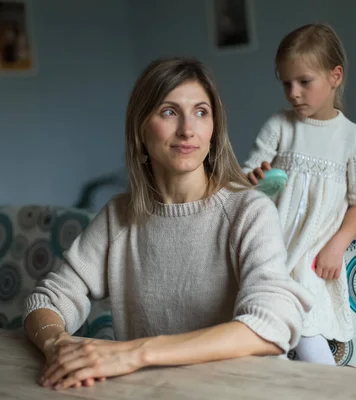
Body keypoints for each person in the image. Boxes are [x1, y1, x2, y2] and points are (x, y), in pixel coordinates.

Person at [23, 57, 313, 390]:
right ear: (140, 130)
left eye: (201, 113)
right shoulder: (118, 217)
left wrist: (135, 353)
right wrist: (56, 345)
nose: (188, 129)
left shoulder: (249, 211)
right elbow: (47, 299)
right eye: (169, 112)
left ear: (214, 130)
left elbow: (271, 326)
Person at [243, 24, 356, 365]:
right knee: (263, 322)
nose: (293, 93)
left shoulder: (351, 137)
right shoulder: (279, 126)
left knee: (305, 326)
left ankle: (331, 388)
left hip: (312, 254)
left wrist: (337, 245)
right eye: (286, 83)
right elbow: (247, 178)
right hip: (270, 246)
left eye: (304, 82)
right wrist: (253, 177)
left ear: (335, 76)